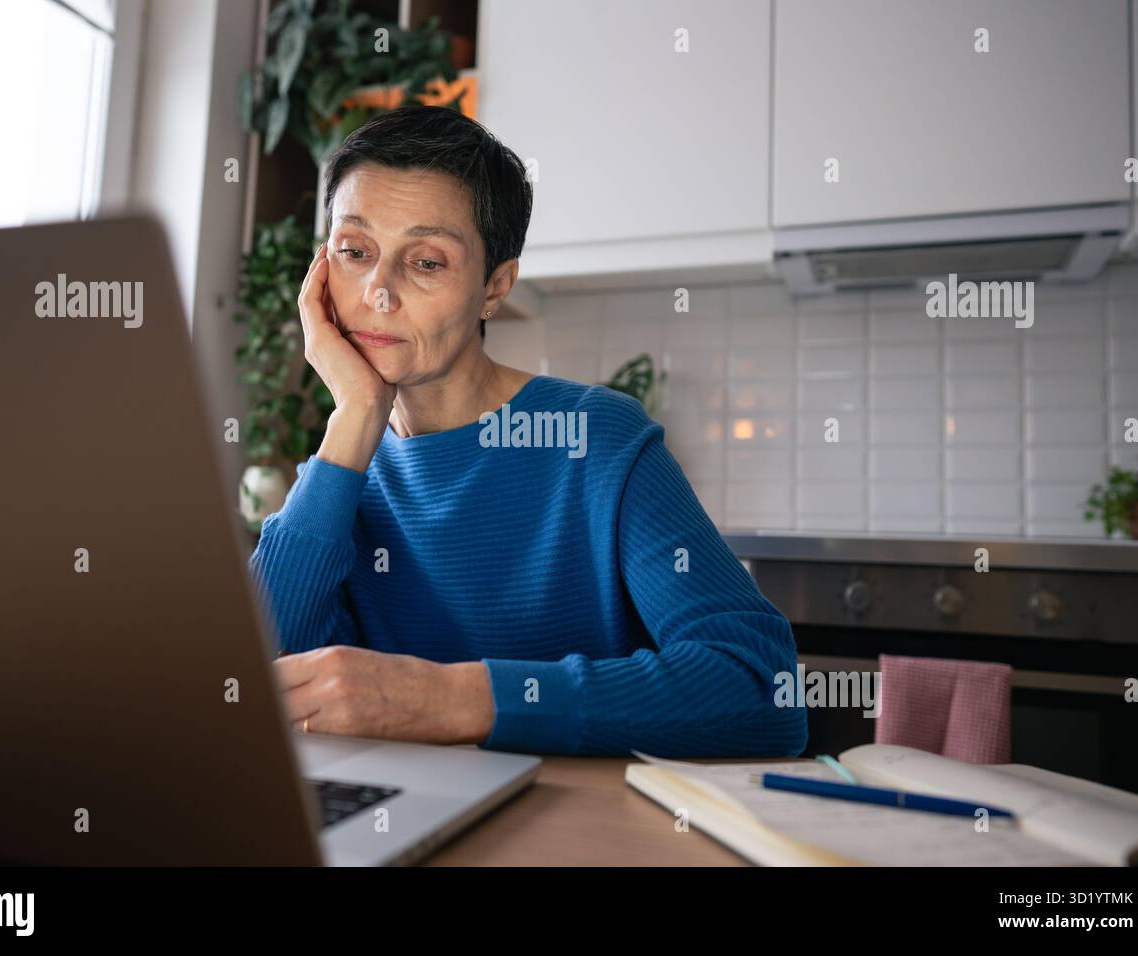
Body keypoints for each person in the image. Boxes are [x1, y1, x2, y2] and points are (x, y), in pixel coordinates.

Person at [249, 105, 806, 758]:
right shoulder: (344, 472)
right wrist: (355, 419)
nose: (378, 291)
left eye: (425, 262)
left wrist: (452, 699)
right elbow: (257, 682)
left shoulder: (595, 441)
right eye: (354, 252)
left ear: (494, 288)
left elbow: (764, 691)